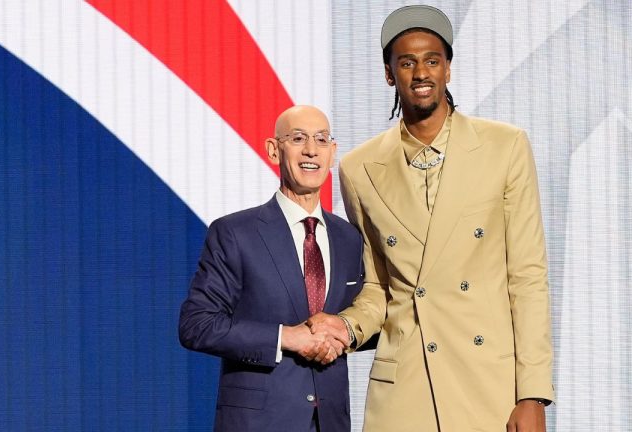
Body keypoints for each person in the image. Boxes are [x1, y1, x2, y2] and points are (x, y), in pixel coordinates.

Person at [307, 5, 554, 432]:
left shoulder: (505, 147)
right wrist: (345, 327)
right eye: (407, 62)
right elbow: (378, 286)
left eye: (432, 60)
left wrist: (532, 394)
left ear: (448, 69)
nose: (421, 72)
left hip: (487, 385)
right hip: (404, 386)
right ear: (390, 74)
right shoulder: (359, 168)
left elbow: (527, 278)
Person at [178, 105, 364, 432]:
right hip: (258, 422)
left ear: (332, 153)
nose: (311, 150)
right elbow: (197, 324)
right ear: (273, 150)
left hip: (332, 421)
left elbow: (367, 316)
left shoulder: (349, 237)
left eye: (321, 140)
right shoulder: (235, 233)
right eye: (298, 138)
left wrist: (343, 330)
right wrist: (286, 337)